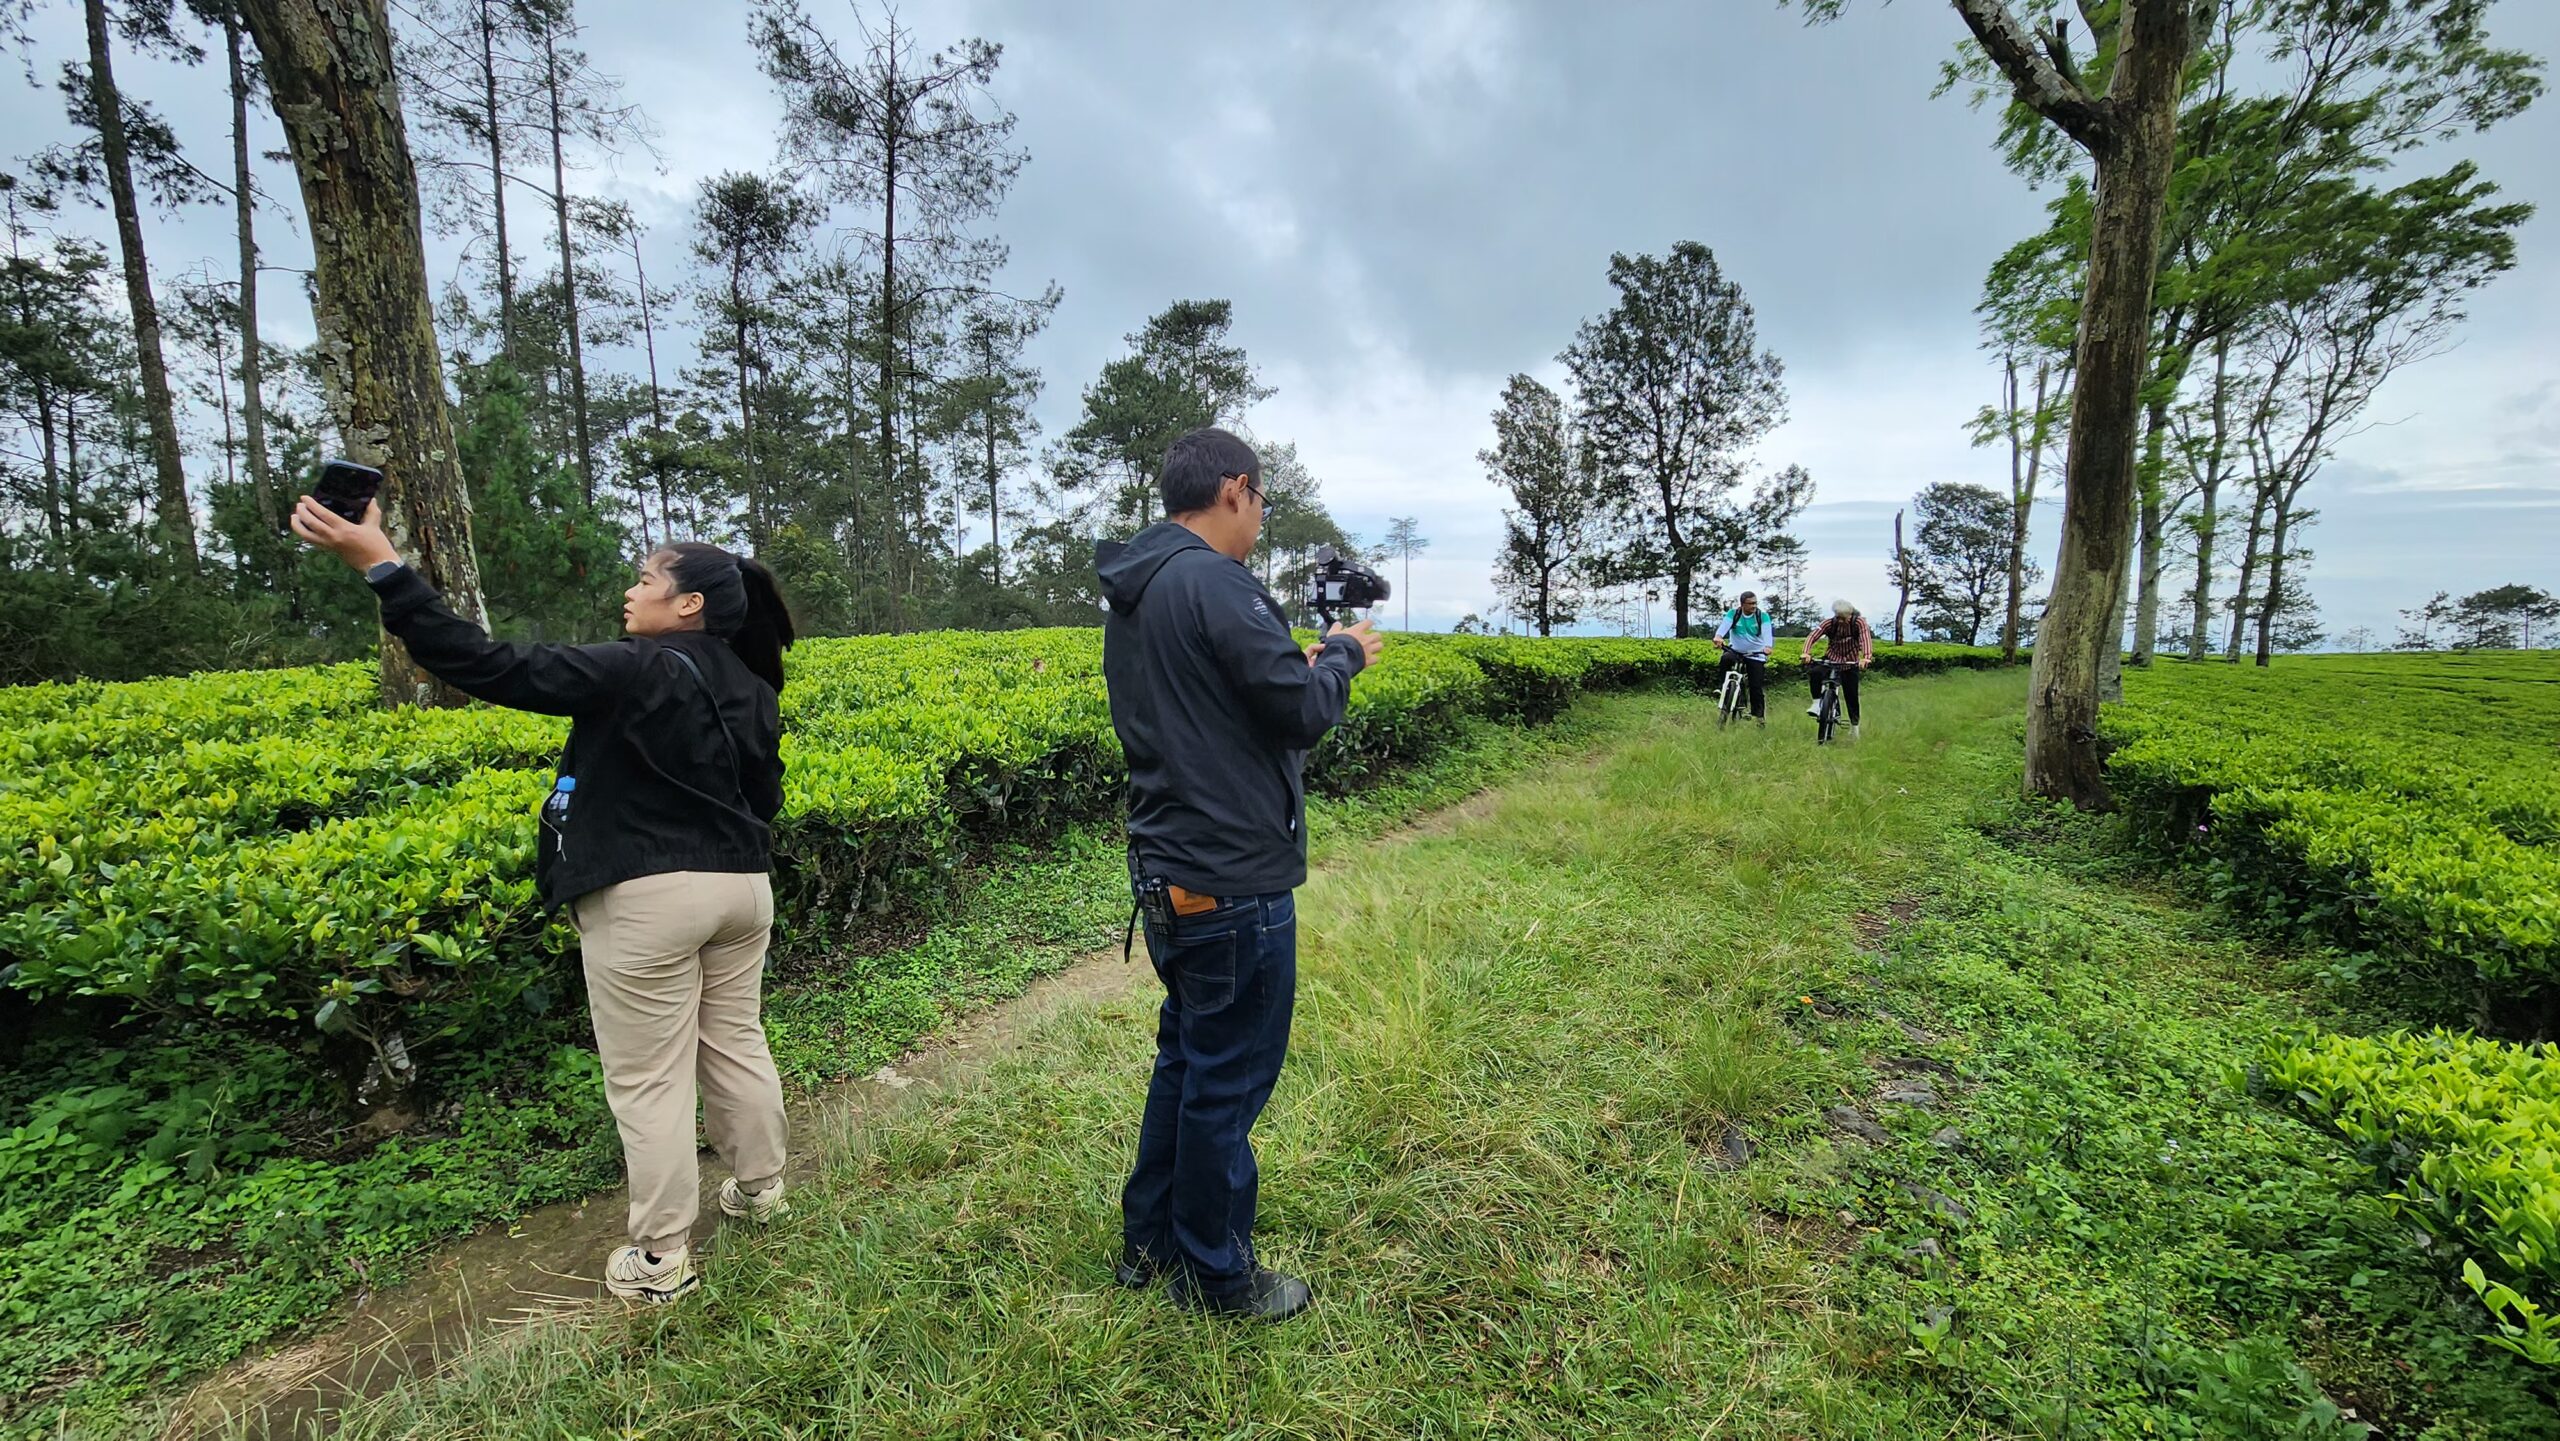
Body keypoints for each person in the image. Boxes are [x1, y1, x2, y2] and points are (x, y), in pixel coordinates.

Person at [291, 494, 796, 1305]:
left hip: (648, 895)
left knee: (651, 1077)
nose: (630, 591)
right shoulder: (753, 687)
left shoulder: (637, 667)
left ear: (688, 603)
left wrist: (383, 567)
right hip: (742, 887)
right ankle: (761, 1189)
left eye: (645, 579)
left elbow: (491, 663)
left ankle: (662, 1261)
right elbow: (764, 797)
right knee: (735, 1038)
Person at [1094, 426, 1384, 1322]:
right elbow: (1299, 713)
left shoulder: (1140, 590)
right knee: (1227, 1081)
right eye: (1260, 499)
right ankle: (1217, 1274)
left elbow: (1217, 708)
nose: (1260, 517)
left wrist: (1292, 667)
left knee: (1187, 1062)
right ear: (1234, 489)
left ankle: (1151, 1245)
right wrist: (1342, 656)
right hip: (1231, 883)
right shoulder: (1218, 582)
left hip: (1172, 872)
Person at [1801, 598, 1874, 737]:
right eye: (1838, 617)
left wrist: (1866, 657)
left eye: (1843, 618)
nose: (1840, 621)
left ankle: (1854, 727)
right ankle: (1817, 703)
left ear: (1850, 615)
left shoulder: (1859, 623)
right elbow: (1813, 636)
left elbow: (1865, 639)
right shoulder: (1829, 623)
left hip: (1850, 663)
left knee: (1851, 696)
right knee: (1815, 673)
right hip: (1831, 659)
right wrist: (1806, 652)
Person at [1711, 590, 1775, 722]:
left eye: (1755, 603)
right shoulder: (1734, 614)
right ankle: (1723, 687)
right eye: (1750, 603)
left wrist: (1768, 646)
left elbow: (1767, 633)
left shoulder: (1762, 616)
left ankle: (1759, 716)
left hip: (1755, 654)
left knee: (1755, 686)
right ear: (1742, 604)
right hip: (1736, 651)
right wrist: (1718, 637)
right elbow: (1724, 626)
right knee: (1725, 659)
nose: (1754, 606)